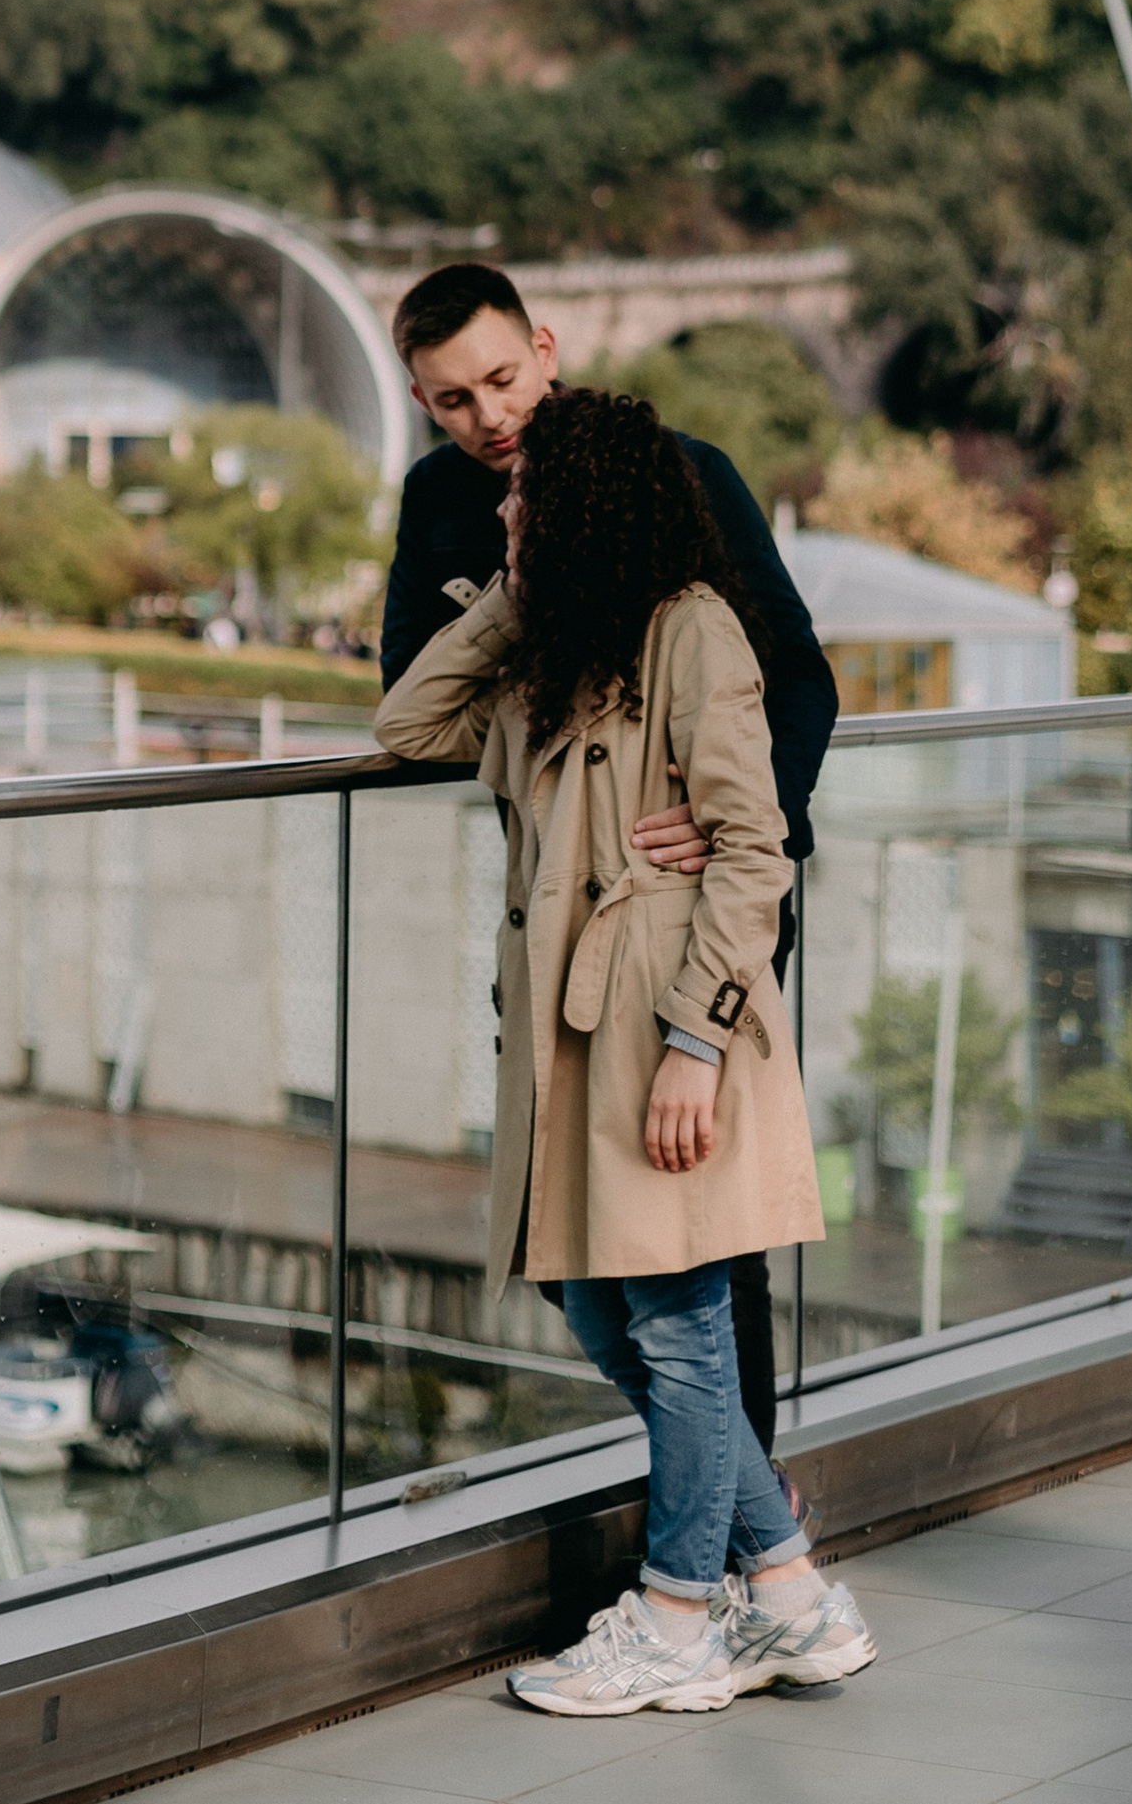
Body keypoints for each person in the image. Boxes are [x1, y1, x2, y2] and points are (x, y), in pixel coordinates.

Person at [374, 384, 874, 1713]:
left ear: (586, 501)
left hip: (662, 1018)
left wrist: (696, 1048)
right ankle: (785, 1584)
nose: (503, 508)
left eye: (528, 495)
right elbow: (406, 722)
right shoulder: (558, 645)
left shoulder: (689, 633)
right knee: (593, 1297)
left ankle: (675, 1617)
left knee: (679, 1319)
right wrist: (510, 595)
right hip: (564, 1030)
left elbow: (753, 844)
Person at [379, 262, 835, 1467]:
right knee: (564, 1237)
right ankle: (749, 1525)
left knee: (701, 1249)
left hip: (692, 899)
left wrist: (744, 815)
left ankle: (733, 1553)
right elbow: (409, 701)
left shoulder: (672, 471)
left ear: (545, 343)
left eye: (498, 377)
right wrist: (516, 597)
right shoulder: (437, 503)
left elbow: (793, 672)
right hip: (554, 917)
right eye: (450, 399)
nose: (486, 415)